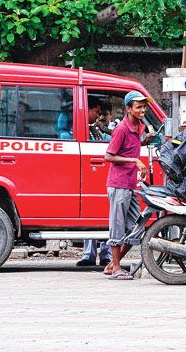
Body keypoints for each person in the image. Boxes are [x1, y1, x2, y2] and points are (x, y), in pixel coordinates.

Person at [103, 91, 154, 280]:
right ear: (128, 109)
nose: (143, 110)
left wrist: (144, 141)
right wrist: (134, 160)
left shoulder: (139, 126)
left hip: (130, 184)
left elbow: (130, 147)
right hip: (118, 184)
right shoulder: (122, 128)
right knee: (117, 226)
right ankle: (116, 268)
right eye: (139, 106)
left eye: (144, 106)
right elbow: (109, 156)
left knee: (136, 227)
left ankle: (111, 265)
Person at [76, 96, 112, 267]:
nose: (100, 118)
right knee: (92, 216)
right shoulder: (88, 129)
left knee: (108, 217)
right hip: (94, 175)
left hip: (107, 175)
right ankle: (88, 254)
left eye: (103, 114)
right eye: (98, 113)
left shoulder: (111, 130)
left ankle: (106, 254)